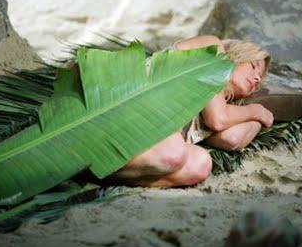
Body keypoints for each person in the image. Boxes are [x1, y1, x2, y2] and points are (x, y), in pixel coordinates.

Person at [108, 35, 274, 187]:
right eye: (253, 66)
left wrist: (257, 119)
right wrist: (255, 110)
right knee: (173, 150)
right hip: (121, 108)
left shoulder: (218, 110)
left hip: (151, 143)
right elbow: (218, 119)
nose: (257, 78)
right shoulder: (211, 47)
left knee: (200, 164)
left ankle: (100, 174)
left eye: (259, 82)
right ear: (238, 55)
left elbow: (232, 139)